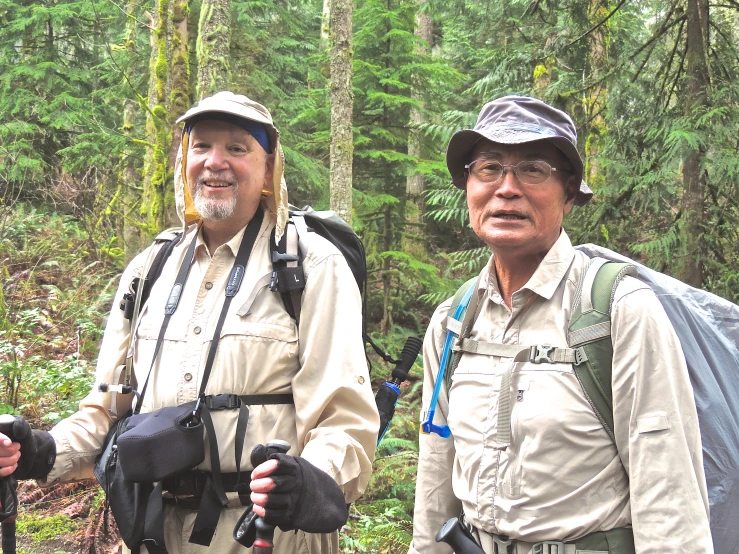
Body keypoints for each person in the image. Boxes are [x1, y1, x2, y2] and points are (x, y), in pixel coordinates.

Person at [0, 91, 379, 553]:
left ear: (268, 169)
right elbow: (106, 412)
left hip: (266, 535)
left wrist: (307, 483)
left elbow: (345, 419)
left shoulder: (310, 267)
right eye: (201, 147)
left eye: (237, 148)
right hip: (151, 529)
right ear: (185, 160)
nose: (214, 162)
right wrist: (40, 452)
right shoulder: (151, 269)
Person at [409, 96, 712, 554]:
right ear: (468, 187)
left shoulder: (619, 311)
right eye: (488, 168)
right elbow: (436, 478)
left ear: (569, 193)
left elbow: (669, 494)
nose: (506, 188)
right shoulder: (454, 322)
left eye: (532, 169)